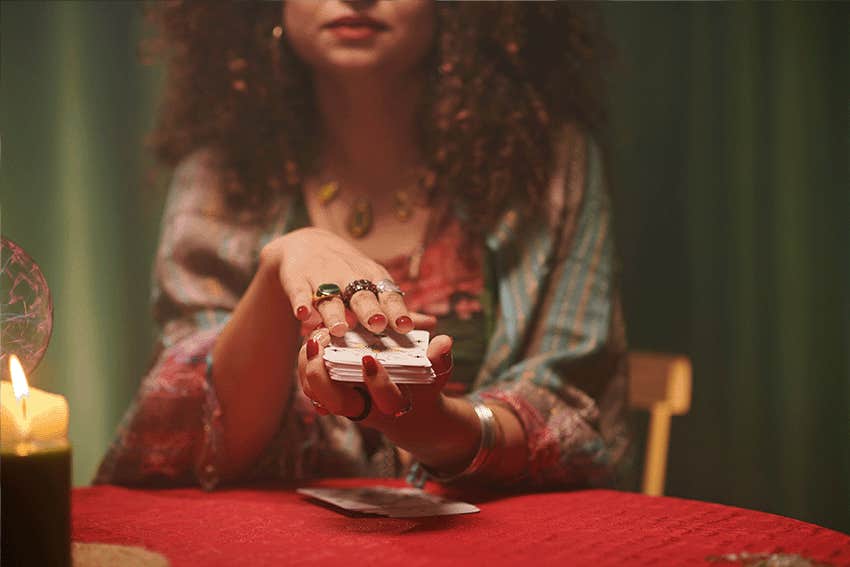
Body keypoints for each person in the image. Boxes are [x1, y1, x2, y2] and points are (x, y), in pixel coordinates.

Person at [96, 1, 629, 491]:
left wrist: (442, 429)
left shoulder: (548, 168)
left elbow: (574, 408)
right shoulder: (218, 179)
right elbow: (201, 440)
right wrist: (281, 267)